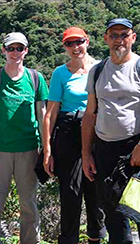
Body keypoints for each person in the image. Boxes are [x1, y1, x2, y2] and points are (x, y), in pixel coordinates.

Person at [81, 18, 140, 244]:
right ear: (106, 39)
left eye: (124, 35)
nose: (119, 40)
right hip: (105, 151)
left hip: (136, 150)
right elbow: (90, 114)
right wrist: (86, 153)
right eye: (114, 35)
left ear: (133, 38)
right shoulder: (97, 71)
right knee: (114, 216)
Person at [0, 32, 48, 244]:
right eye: (11, 48)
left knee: (29, 205)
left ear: (26, 51)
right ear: (4, 51)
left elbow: (43, 116)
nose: (15, 52)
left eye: (20, 48)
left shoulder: (36, 79)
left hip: (29, 150)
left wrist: (46, 151)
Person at [42, 27, 107, 244]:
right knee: (70, 192)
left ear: (87, 42)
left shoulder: (100, 68)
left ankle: (96, 238)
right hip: (68, 132)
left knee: (95, 191)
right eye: (69, 44)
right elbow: (50, 113)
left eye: (79, 42)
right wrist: (48, 150)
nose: (75, 47)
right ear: (65, 47)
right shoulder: (61, 73)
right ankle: (68, 240)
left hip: (96, 131)